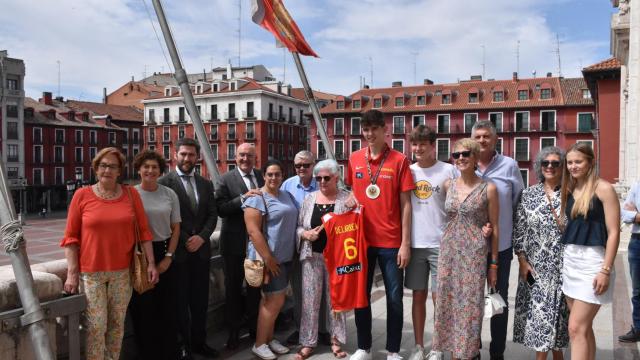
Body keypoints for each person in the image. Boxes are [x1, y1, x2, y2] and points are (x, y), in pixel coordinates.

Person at [61, 147, 159, 360]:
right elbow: (70, 237)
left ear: (119, 171)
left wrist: (151, 263)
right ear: (96, 169)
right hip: (92, 273)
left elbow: (144, 232)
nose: (107, 170)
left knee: (117, 327)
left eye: (112, 166)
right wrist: (72, 273)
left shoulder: (131, 194)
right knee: (96, 327)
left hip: (123, 273)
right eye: (103, 165)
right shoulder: (82, 195)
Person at [346, 109, 414, 360]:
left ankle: (394, 351)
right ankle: (364, 347)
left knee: (394, 299)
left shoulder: (399, 160)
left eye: (374, 128)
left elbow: (406, 204)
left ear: (385, 130)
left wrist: (405, 243)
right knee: (360, 296)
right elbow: (353, 192)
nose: (370, 133)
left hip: (391, 242)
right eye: (365, 129)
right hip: (361, 242)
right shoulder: (354, 159)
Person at [432, 138, 499, 360]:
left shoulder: (488, 188)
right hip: (448, 252)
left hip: (473, 254)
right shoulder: (447, 185)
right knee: (447, 303)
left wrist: (494, 264)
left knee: (470, 307)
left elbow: (495, 227)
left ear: (475, 157)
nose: (460, 158)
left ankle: (469, 353)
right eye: (456, 155)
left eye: (465, 154)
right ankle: (453, 353)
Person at [158, 138, 218, 360]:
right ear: (175, 155)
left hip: (201, 254)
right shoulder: (165, 183)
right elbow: (166, 217)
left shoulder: (205, 183)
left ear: (197, 157)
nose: (187, 158)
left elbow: (212, 214)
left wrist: (202, 238)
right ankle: (183, 347)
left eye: (191, 155)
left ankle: (200, 343)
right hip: (179, 255)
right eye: (183, 154)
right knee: (179, 303)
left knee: (200, 302)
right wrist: (186, 239)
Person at [560, 142, 620, 360]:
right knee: (583, 329)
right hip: (571, 261)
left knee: (575, 328)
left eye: (578, 161)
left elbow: (614, 232)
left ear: (590, 162)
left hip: (594, 263)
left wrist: (605, 269)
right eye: (570, 162)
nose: (573, 166)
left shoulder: (604, 189)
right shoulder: (570, 188)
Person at [472, 120, 524, 360]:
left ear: (495, 139)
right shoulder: (463, 164)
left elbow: (518, 203)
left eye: (486, 136)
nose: (482, 140)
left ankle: (497, 352)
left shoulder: (510, 165)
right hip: (470, 249)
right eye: (478, 136)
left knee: (497, 303)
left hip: (500, 248)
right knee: (471, 301)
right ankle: (472, 348)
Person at [405, 125, 456, 360]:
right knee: (417, 295)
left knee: (439, 298)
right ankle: (418, 346)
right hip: (415, 243)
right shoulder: (408, 171)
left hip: (441, 243)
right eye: (414, 144)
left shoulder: (449, 170)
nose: (417, 148)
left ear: (433, 146)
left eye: (422, 144)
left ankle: (437, 347)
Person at [513, 147, 569, 359]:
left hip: (564, 265)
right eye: (546, 163)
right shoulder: (528, 194)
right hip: (535, 266)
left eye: (555, 163)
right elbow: (519, 230)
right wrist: (522, 260)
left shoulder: (570, 193)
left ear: (562, 167)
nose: (550, 167)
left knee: (560, 319)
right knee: (540, 318)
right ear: (539, 166)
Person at [244, 159, 299, 360]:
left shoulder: (286, 195)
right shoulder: (257, 198)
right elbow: (253, 231)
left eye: (277, 174)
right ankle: (259, 344)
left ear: (282, 176)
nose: (274, 178)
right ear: (264, 176)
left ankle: (268, 339)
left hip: (285, 257)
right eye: (270, 174)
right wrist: (269, 259)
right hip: (270, 260)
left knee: (274, 301)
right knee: (273, 301)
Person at [129, 149, 181, 360]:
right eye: (146, 167)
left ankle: (169, 354)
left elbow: (176, 228)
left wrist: (169, 257)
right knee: (143, 311)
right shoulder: (130, 194)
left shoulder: (169, 194)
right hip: (139, 256)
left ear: (160, 171)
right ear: (139, 170)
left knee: (168, 308)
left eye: (154, 167)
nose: (150, 170)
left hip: (165, 251)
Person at [295, 159, 349, 359]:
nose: (323, 182)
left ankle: (336, 341)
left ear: (336, 177)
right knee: (309, 301)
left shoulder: (346, 199)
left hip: (338, 259)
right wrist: (305, 235)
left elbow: (355, 225)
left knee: (336, 301)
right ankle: (308, 342)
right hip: (312, 257)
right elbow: (299, 226)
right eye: (319, 178)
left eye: (327, 178)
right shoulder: (309, 199)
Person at [215, 143, 264, 349]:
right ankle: (234, 332)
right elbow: (221, 209)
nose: (246, 159)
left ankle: (254, 328)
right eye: (242, 155)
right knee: (233, 290)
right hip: (233, 245)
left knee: (255, 288)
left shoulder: (262, 176)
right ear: (235, 157)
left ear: (255, 158)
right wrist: (242, 198)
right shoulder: (225, 179)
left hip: (256, 245)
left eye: (250, 156)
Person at [281, 150, 329, 346]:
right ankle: (302, 329)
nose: (301, 168)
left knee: (323, 290)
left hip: (321, 246)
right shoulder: (287, 185)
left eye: (306, 165)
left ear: (313, 165)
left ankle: (323, 330)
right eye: (298, 165)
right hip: (296, 244)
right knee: (299, 289)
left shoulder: (323, 182)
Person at [619, 180, 640, 343]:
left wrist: (636, 215)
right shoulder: (637, 185)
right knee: (637, 290)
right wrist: (633, 215)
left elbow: (630, 214)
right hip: (637, 242)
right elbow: (624, 214)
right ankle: (638, 329)